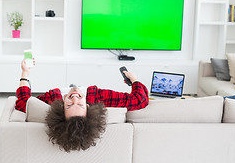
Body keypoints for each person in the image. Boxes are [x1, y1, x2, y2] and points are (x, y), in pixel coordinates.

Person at [15, 60, 149, 152]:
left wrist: (25, 72)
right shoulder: (98, 98)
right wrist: (133, 79)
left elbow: (23, 102)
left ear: (61, 108)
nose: (74, 97)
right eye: (80, 104)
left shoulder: (52, 100)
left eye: (69, 105)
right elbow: (139, 100)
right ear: (89, 107)